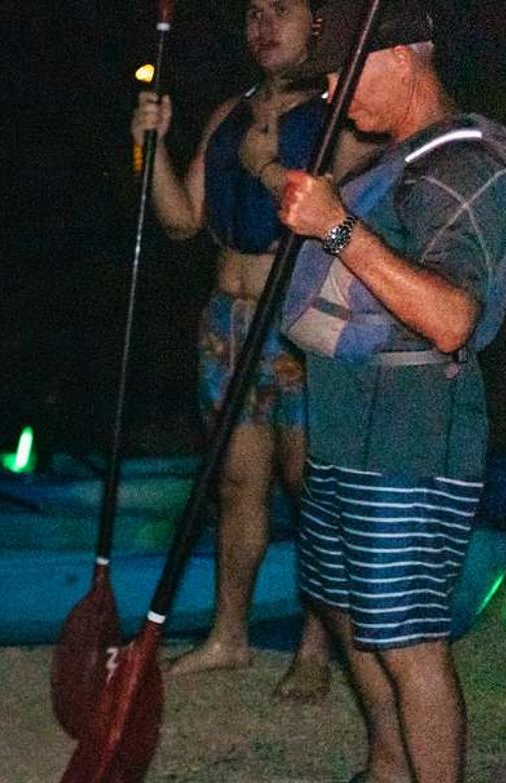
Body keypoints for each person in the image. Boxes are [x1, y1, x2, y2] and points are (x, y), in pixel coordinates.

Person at [275, 0, 506, 783]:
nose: (338, 98)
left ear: (405, 55)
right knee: (348, 606)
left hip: (416, 434)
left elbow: (452, 316)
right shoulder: (400, 164)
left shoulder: (471, 164)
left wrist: (339, 228)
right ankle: (391, 773)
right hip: (352, 425)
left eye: (349, 75)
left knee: (409, 634)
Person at [132, 0, 367, 699]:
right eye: (253, 13)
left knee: (310, 489)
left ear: (316, 25)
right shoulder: (229, 114)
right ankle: (230, 635)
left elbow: (345, 222)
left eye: (281, 11)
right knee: (236, 486)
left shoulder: (339, 116)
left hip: (298, 325)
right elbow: (180, 221)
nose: (262, 25)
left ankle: (314, 648)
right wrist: (150, 148)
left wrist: (269, 167)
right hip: (226, 324)